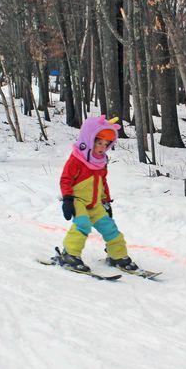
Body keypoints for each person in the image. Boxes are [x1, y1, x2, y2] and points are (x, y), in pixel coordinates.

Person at [57, 115, 138, 272]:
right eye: (99, 142)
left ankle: (118, 256)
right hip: (77, 200)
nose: (102, 147)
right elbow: (65, 179)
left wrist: (106, 201)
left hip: (95, 203)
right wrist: (67, 199)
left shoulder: (100, 161)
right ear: (88, 139)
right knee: (83, 224)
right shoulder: (77, 159)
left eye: (106, 144)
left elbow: (102, 182)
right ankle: (69, 254)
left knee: (110, 228)